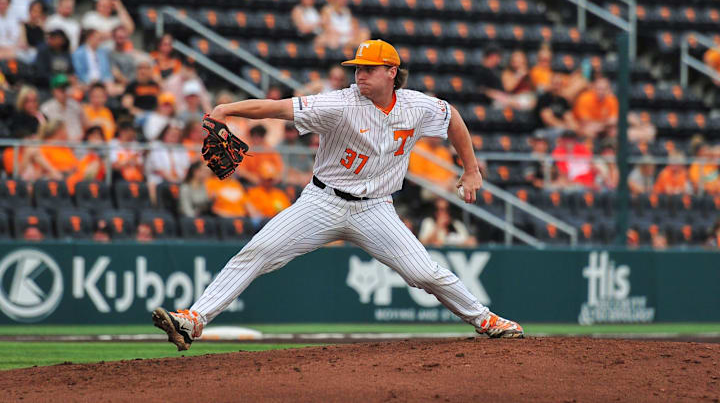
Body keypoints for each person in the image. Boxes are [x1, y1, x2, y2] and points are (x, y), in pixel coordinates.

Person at [151, 39, 524, 351]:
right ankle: (193, 320)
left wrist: (471, 169)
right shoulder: (339, 104)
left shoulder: (416, 106)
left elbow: (453, 116)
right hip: (322, 202)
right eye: (356, 68)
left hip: (375, 209)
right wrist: (226, 108)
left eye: (368, 68)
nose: (359, 74)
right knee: (258, 252)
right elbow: (277, 108)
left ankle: (485, 318)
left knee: (425, 273)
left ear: (391, 72)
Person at [145, 122, 190, 203]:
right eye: (171, 134)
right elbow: (159, 170)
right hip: (159, 180)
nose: (174, 137)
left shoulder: (181, 148)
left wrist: (181, 181)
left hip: (179, 180)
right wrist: (174, 181)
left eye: (176, 135)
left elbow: (186, 168)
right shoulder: (156, 146)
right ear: (164, 134)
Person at [40, 73, 85, 142]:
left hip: (78, 146)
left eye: (65, 88)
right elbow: (44, 133)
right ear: (53, 90)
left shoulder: (75, 105)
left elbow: (85, 126)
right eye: (60, 88)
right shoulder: (46, 108)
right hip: (56, 147)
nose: (64, 91)